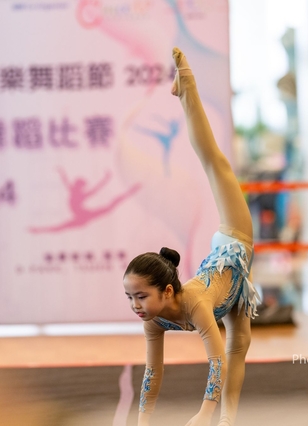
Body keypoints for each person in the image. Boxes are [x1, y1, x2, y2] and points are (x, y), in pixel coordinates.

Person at [122, 47, 261, 426]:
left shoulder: (195, 304)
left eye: (140, 296)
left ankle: (187, 86)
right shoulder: (153, 319)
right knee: (239, 343)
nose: (135, 305)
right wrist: (143, 420)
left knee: (215, 162)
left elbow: (213, 362)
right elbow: (153, 372)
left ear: (167, 291)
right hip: (232, 286)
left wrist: (203, 413)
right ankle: (230, 421)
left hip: (234, 240)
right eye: (130, 297)